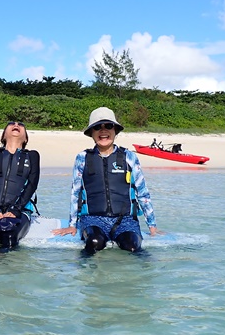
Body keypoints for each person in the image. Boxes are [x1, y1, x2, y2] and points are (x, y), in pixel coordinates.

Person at [52, 107, 157, 254]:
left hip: (125, 221)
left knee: (131, 246)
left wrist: (152, 226)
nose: (103, 131)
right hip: (92, 220)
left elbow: (142, 193)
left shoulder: (129, 157)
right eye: (97, 127)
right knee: (95, 242)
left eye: (108, 126)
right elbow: (75, 193)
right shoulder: (83, 158)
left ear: (115, 130)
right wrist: (72, 225)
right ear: (92, 133)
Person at [0, 121, 40, 252]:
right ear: (3, 136)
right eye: (11, 124)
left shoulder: (32, 155)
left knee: (9, 238)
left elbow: (32, 185)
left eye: (21, 125)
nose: (16, 125)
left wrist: (16, 210)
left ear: (26, 138)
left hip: (21, 210)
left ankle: (3, 268)